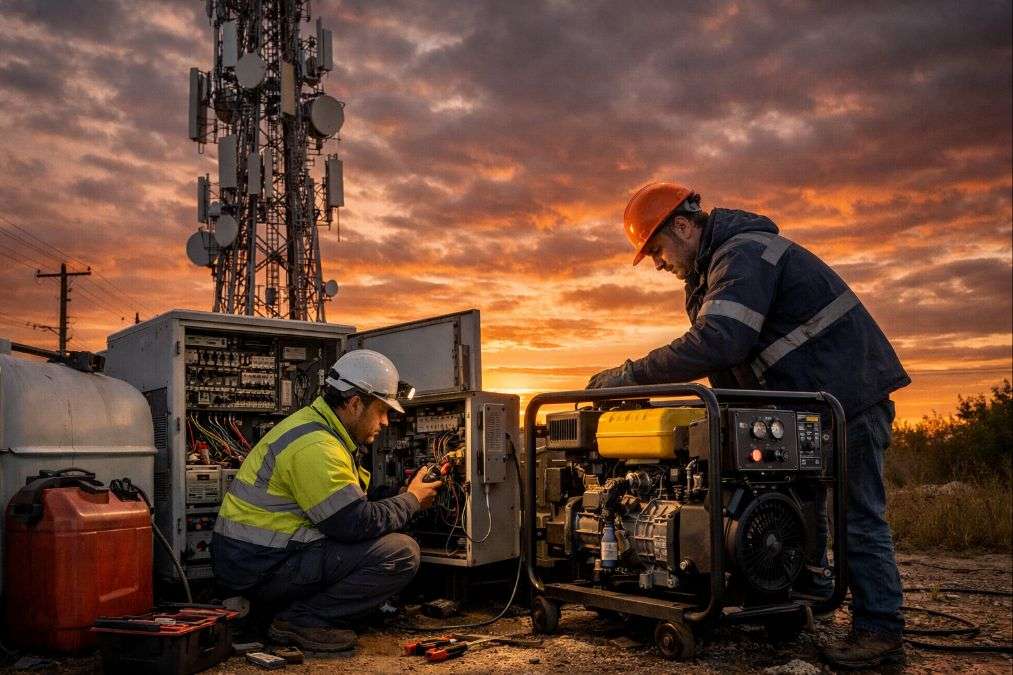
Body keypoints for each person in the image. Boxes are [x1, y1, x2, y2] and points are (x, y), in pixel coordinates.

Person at [586, 182, 911, 669]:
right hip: (806, 408)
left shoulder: (744, 254)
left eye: (656, 250)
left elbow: (721, 341)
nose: (657, 263)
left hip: (849, 402)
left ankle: (880, 631)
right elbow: (729, 370)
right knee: (799, 504)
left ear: (682, 226)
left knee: (857, 516)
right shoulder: (711, 275)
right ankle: (801, 594)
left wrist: (630, 375)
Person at [212, 349, 441, 653]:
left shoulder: (318, 430)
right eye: (381, 411)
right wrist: (411, 501)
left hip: (257, 560)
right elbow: (353, 523)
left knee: (387, 534)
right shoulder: (316, 445)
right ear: (355, 404)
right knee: (401, 552)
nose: (386, 422)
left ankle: (283, 612)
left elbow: (352, 504)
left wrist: (400, 495)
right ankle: (301, 620)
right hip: (260, 568)